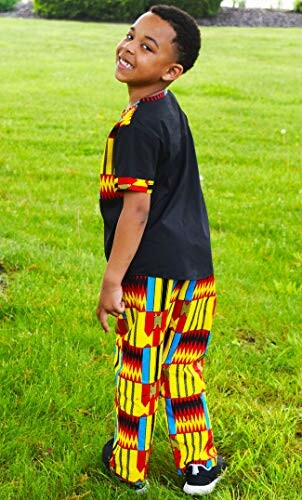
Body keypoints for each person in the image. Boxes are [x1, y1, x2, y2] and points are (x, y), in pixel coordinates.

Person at [96, 4, 226, 496]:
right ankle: (200, 466)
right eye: (131, 36)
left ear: (172, 71)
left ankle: (128, 464)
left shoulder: (136, 126)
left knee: (139, 368)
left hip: (150, 280)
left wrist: (112, 280)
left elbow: (136, 211)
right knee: (183, 368)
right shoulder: (169, 111)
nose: (129, 46)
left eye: (147, 46)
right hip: (197, 275)